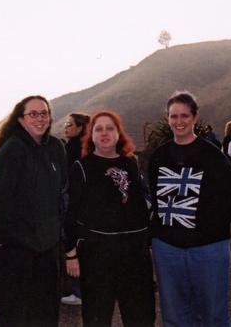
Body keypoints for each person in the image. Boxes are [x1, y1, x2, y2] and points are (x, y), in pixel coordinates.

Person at [148, 91, 231, 327]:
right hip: (167, 248)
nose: (179, 121)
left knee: (213, 314)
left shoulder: (213, 156)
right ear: (167, 118)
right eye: (173, 116)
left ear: (195, 117)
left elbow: (230, 198)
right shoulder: (159, 156)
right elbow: (154, 198)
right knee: (174, 315)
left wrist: (204, 233)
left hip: (208, 248)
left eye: (184, 116)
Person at [0, 95, 66, 327]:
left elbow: (62, 192)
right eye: (33, 114)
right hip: (15, 250)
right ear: (21, 119)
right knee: (14, 316)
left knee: (46, 314)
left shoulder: (56, 148)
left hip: (47, 249)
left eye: (44, 113)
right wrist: (23, 235)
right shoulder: (12, 149)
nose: (40, 118)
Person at [65, 111, 155, 326]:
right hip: (97, 255)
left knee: (140, 316)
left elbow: (142, 206)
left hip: (134, 254)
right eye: (99, 128)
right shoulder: (81, 167)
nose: (104, 133)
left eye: (110, 128)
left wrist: (148, 242)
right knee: (97, 317)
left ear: (118, 133)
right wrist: (70, 254)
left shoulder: (130, 163)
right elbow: (71, 213)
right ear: (91, 135)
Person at [61, 112, 90, 306]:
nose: (65, 127)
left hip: (70, 198)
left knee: (70, 241)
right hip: (85, 202)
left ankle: (78, 292)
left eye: (69, 124)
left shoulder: (71, 147)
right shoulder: (88, 147)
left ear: (79, 128)